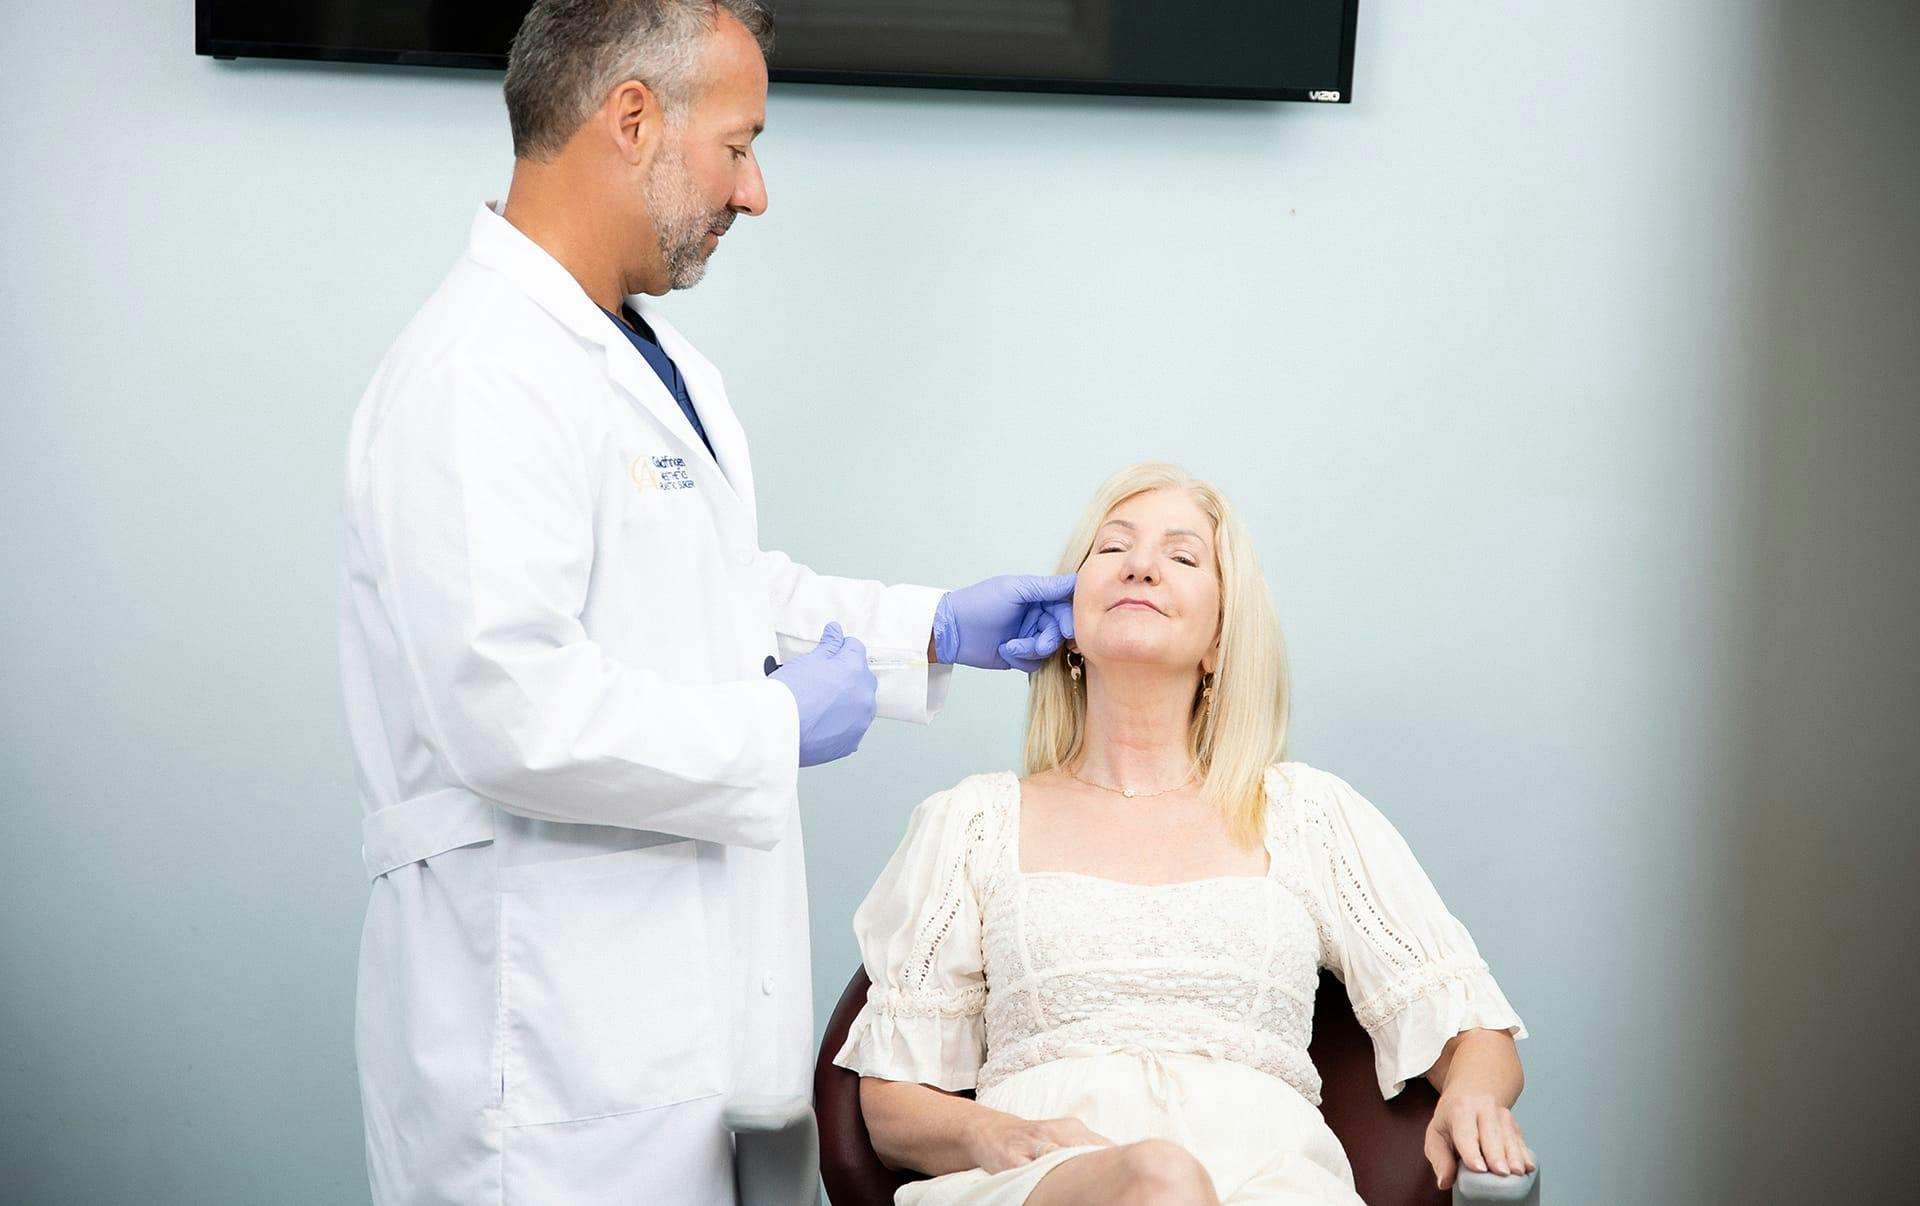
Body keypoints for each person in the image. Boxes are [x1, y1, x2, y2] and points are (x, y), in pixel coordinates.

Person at [337, 3, 1074, 1202]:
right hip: (547, 1050)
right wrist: (778, 726)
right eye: (739, 145)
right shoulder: (479, 376)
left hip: (680, 1028)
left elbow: (717, 599)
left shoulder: (641, 357)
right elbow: (505, 708)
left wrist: (930, 628)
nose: (756, 192)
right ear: (632, 118)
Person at [834, 463, 1532, 1205]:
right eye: (1112, 548)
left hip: (1274, 1185)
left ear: (1219, 642)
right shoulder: (972, 824)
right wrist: (1005, 1139)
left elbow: (1470, 1031)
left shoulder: (1309, 816)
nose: (1141, 564)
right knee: (1158, 1180)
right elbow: (891, 1107)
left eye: (1182, 556)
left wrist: (1471, 1096)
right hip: (1045, 1186)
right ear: (1070, 627)